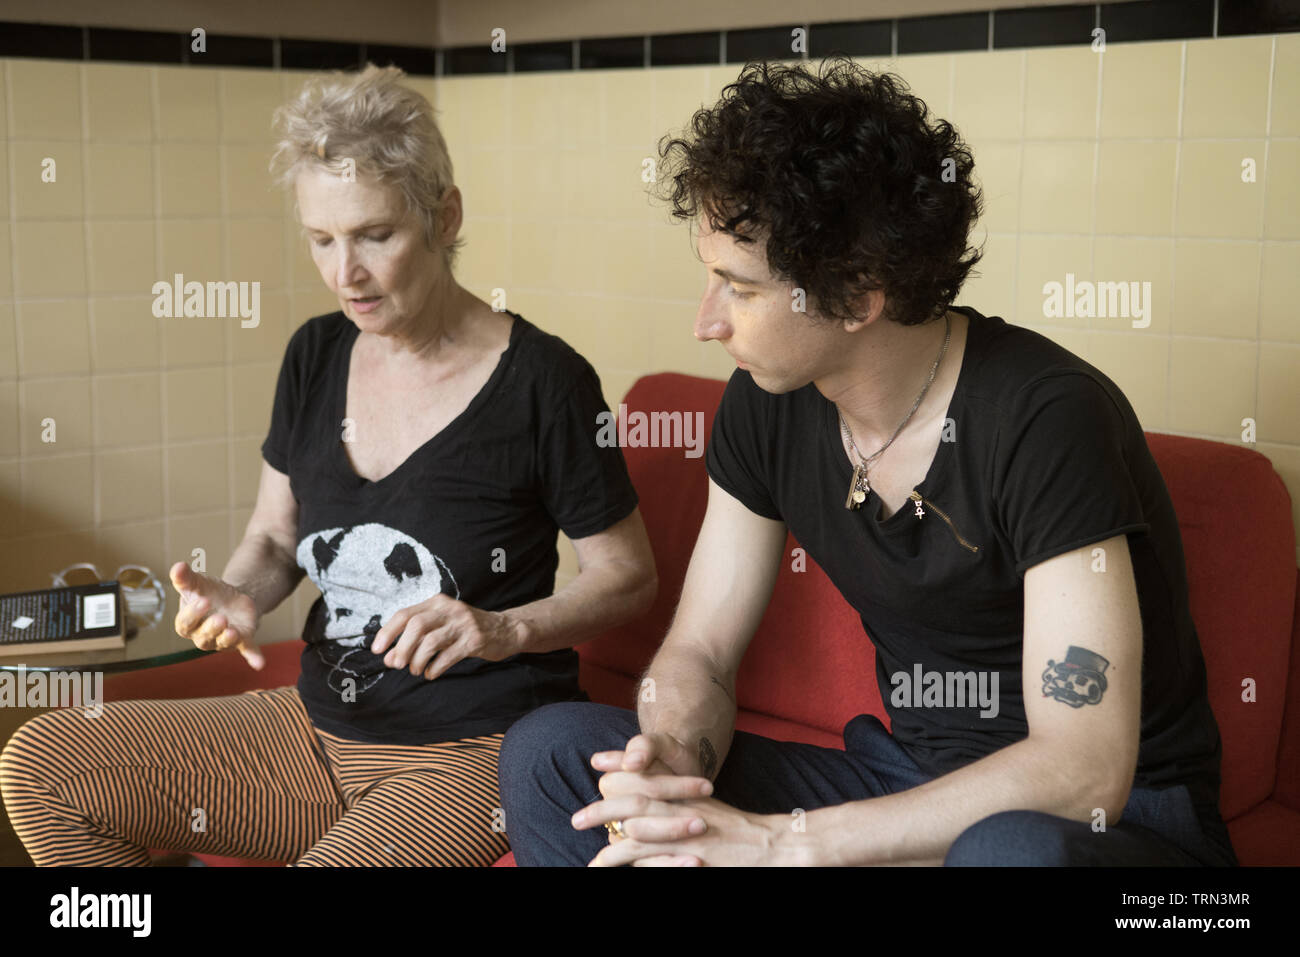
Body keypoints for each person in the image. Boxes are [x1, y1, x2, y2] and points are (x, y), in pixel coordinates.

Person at [497, 58, 1237, 867]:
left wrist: (789, 842)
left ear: (855, 295)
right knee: (554, 752)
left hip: (1117, 829)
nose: (705, 322)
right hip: (903, 784)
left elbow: (1084, 768)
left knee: (1010, 854)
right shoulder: (767, 398)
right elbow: (701, 651)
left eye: (737, 288)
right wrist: (672, 763)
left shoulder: (1047, 416)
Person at [0, 64, 656, 867]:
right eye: (321, 239)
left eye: (376, 234)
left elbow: (628, 575)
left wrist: (504, 627)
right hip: (313, 730)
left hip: (467, 747)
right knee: (42, 763)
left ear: (444, 216)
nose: (345, 273)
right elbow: (276, 541)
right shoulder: (315, 353)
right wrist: (240, 593)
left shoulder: (546, 381)